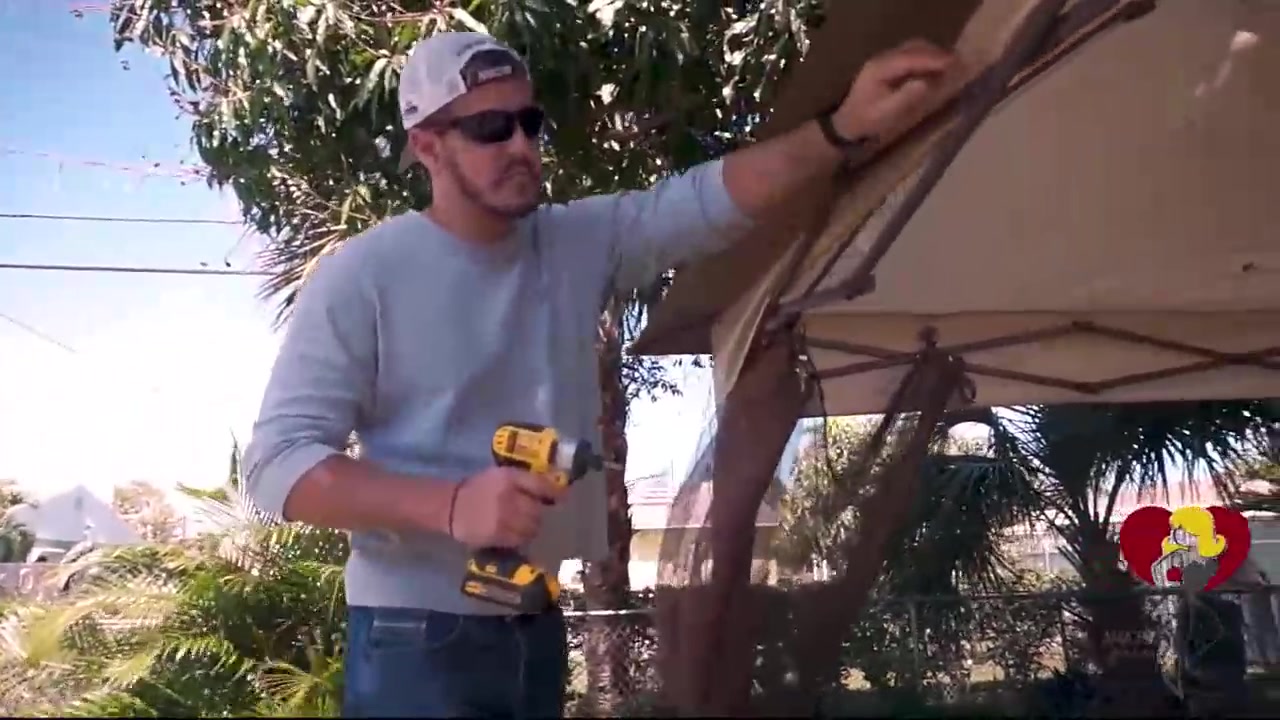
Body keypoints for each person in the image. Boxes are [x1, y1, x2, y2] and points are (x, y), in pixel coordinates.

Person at [242, 29, 964, 719]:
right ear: (427, 145)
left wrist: (842, 128)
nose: (521, 145)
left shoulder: (574, 242)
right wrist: (453, 505)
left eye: (530, 123)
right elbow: (278, 465)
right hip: (414, 637)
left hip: (535, 622)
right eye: (491, 128)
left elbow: (705, 201)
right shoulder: (365, 275)